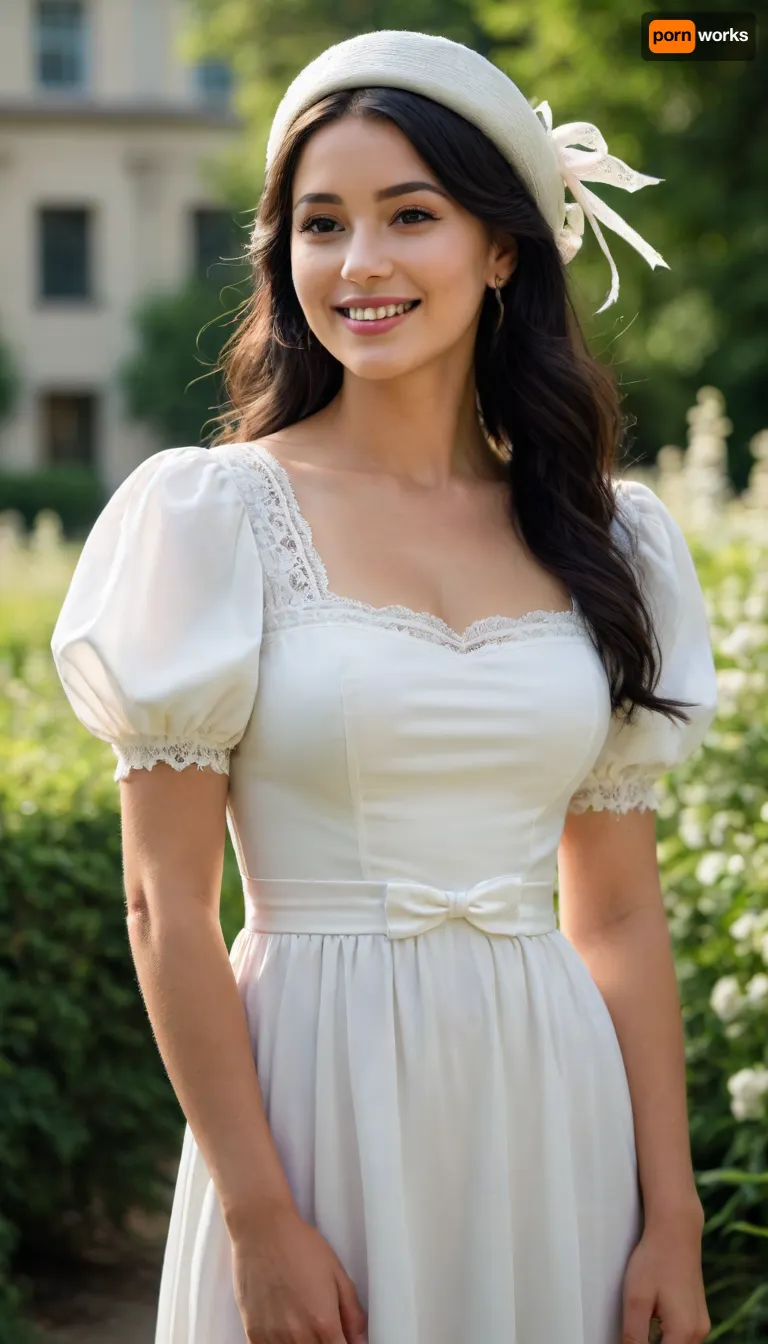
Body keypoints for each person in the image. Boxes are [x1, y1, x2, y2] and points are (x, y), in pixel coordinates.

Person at [50, 29, 718, 1344]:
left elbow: (622, 920)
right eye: (321, 223)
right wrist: (259, 1215)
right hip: (311, 1104)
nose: (359, 264)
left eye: (410, 215)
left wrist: (672, 1220)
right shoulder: (210, 518)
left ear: (504, 245)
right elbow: (163, 905)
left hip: (551, 1103)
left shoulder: (610, 539)